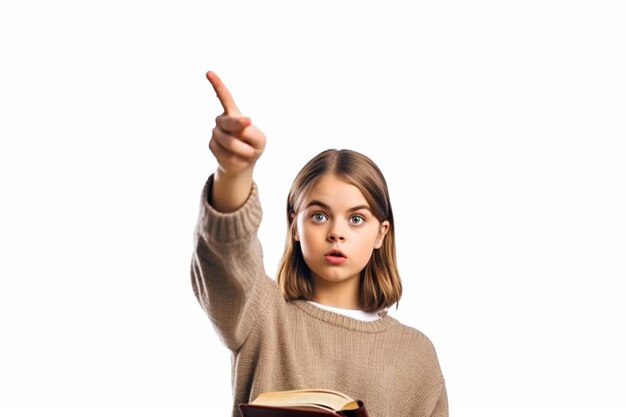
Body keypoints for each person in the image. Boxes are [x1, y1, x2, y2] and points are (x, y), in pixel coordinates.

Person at [191, 71, 448, 417]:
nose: (336, 233)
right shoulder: (262, 316)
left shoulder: (416, 354)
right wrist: (233, 174)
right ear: (294, 225)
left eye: (356, 219)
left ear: (381, 233)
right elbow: (225, 262)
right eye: (319, 216)